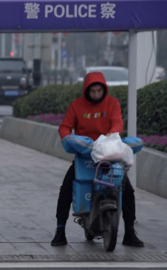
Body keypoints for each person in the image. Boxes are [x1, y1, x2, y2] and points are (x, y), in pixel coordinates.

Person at [51, 72, 144, 247]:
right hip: (85, 155)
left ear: (104, 90)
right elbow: (65, 127)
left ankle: (130, 232)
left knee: (128, 191)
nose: (95, 94)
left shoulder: (112, 103)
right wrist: (67, 138)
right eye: (92, 91)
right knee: (66, 189)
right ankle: (60, 231)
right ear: (86, 90)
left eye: (98, 90)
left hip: (109, 154)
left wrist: (113, 133)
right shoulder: (76, 106)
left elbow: (118, 122)